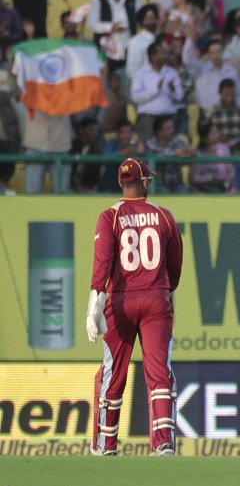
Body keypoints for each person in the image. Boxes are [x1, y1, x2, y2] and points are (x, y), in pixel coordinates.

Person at [87, 157, 182, 457]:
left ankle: (105, 445)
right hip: (156, 299)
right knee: (159, 372)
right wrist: (164, 289)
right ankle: (163, 442)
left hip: (119, 301)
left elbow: (102, 265)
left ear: (120, 183)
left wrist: (93, 307)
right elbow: (175, 265)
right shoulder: (163, 215)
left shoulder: (109, 217)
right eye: (147, 179)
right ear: (143, 182)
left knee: (113, 372)